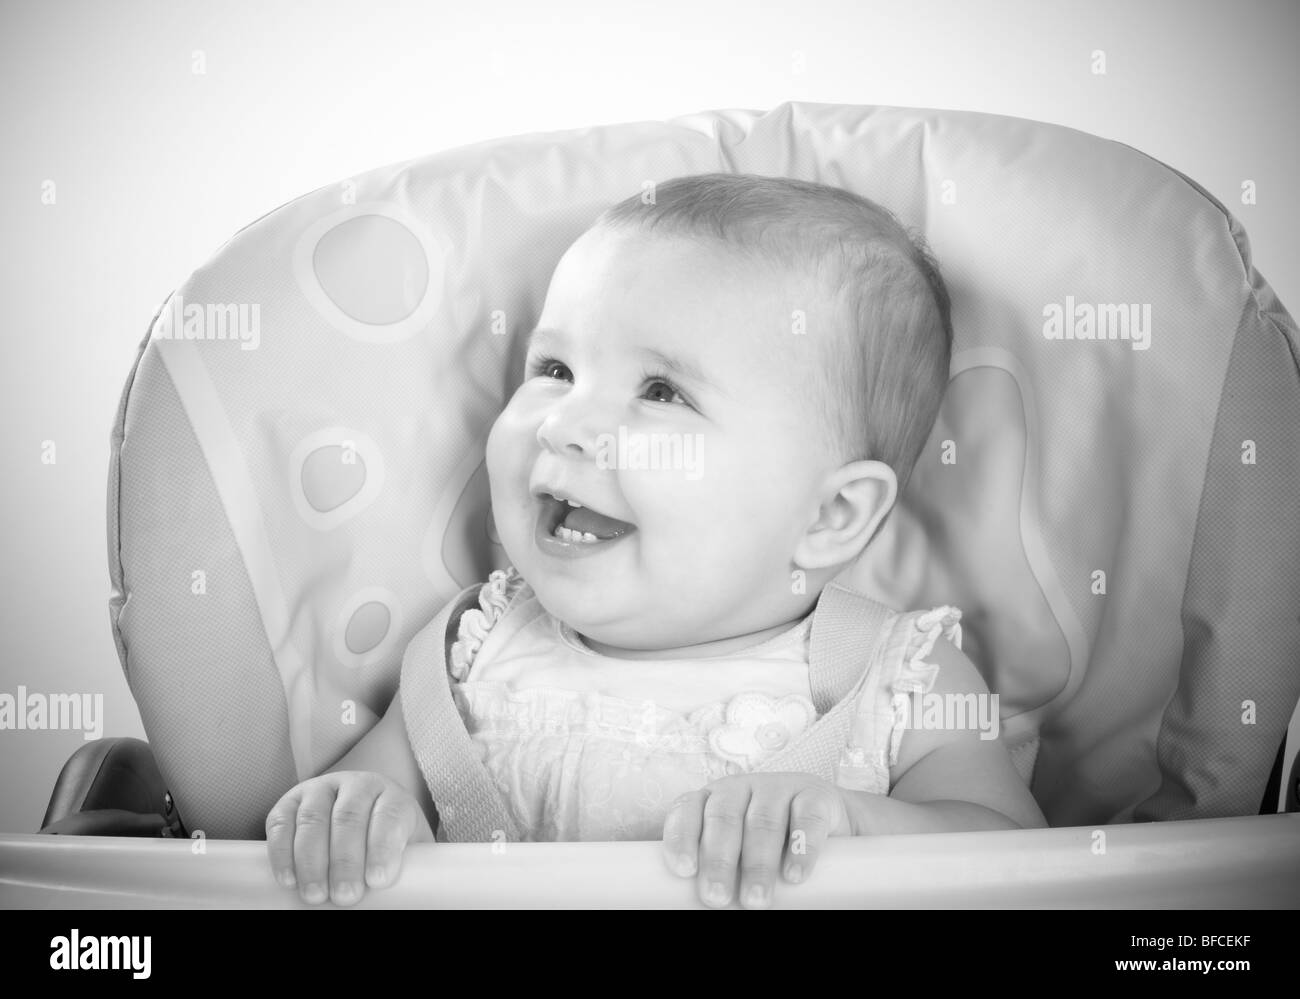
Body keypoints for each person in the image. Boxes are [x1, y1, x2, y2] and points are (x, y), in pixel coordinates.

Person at [265, 173, 1045, 909]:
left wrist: (854, 824)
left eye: (661, 391)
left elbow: (1024, 864)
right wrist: (356, 812)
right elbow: (349, 809)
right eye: (556, 368)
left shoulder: (899, 683)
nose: (565, 425)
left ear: (830, 515)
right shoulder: (475, 650)